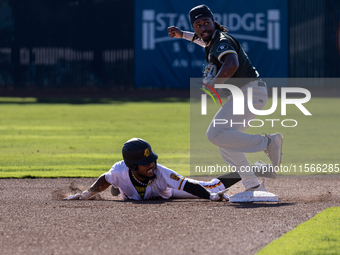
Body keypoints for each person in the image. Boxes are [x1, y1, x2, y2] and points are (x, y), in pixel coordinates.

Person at [167, 5, 283, 192]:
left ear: (214, 22)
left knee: (215, 134)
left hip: (249, 92)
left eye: (206, 22)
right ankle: (251, 185)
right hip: (249, 93)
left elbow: (231, 63)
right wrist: (182, 35)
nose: (203, 28)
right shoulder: (212, 41)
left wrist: (213, 83)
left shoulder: (221, 40)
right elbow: (201, 41)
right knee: (226, 142)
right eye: (198, 25)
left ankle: (269, 143)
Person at [65, 138, 234, 201]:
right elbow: (106, 178)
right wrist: (86, 194)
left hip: (164, 192)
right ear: (132, 166)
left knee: (214, 186)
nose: (151, 164)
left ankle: (254, 169)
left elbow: (187, 185)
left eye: (151, 160)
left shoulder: (161, 173)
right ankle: (117, 189)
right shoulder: (119, 171)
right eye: (145, 163)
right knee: (116, 182)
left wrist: (210, 196)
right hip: (130, 190)